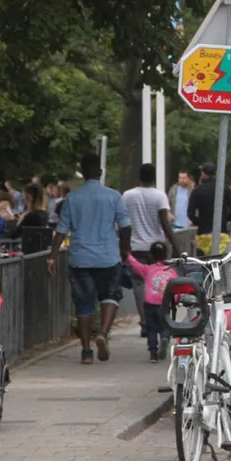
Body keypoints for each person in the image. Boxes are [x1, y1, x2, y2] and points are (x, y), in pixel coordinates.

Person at [48, 154, 132, 365]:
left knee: (84, 305)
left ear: (83, 173)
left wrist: (52, 256)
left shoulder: (72, 199)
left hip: (80, 259)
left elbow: (62, 229)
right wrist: (125, 250)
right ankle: (103, 333)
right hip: (108, 257)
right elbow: (125, 225)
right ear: (100, 172)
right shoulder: (113, 196)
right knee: (110, 296)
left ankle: (86, 351)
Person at [123, 163, 181, 338]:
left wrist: (123, 247)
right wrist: (175, 246)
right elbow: (164, 221)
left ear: (139, 177)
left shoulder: (128, 196)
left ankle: (145, 322)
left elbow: (124, 222)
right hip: (157, 248)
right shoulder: (159, 196)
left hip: (136, 247)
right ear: (154, 177)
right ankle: (161, 318)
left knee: (139, 286)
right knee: (160, 283)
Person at [124, 241, 176, 363]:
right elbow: (176, 287)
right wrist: (177, 299)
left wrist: (128, 255)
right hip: (164, 303)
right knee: (165, 325)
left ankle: (153, 354)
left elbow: (135, 265)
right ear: (166, 255)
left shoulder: (148, 269)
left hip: (149, 304)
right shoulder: (171, 272)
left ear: (151, 255)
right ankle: (165, 338)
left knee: (151, 329)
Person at [188, 163, 231, 237]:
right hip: (221, 232)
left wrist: (199, 222)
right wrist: (225, 219)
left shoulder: (197, 191)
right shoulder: (225, 189)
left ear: (203, 174)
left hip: (204, 232)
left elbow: (190, 213)